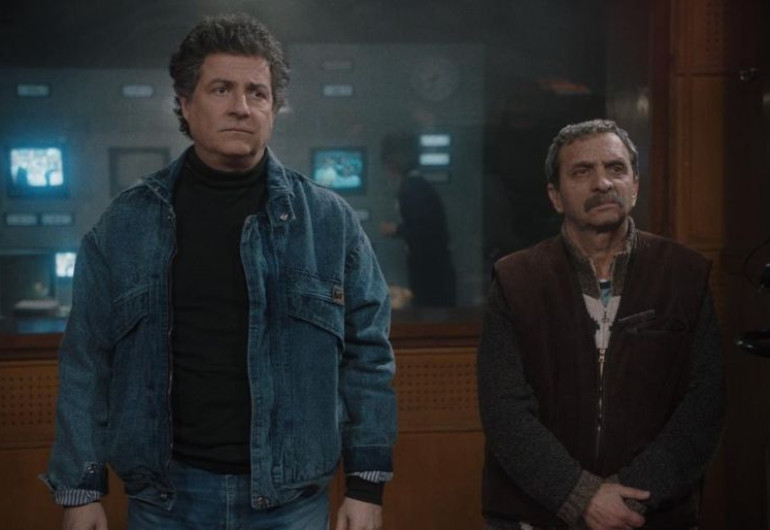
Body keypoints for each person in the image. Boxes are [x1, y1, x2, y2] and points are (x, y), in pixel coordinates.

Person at [42, 14, 396, 530]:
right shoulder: (126, 224)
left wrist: (365, 487)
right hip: (167, 501)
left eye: (257, 93)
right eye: (222, 89)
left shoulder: (328, 222)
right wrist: (81, 490)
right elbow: (86, 361)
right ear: (186, 104)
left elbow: (369, 355)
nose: (241, 107)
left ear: (273, 108)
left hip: (290, 502)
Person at [477, 119, 724, 529]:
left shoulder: (685, 275)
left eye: (615, 168)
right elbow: (504, 411)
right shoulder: (515, 280)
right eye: (582, 171)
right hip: (535, 515)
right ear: (556, 196)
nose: (603, 183)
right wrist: (582, 497)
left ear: (635, 185)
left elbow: (703, 406)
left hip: (652, 514)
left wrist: (629, 498)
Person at [379, 132, 455, 307]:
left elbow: (425, 230)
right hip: (432, 267)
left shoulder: (412, 188)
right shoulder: (416, 185)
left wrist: (395, 229)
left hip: (430, 269)